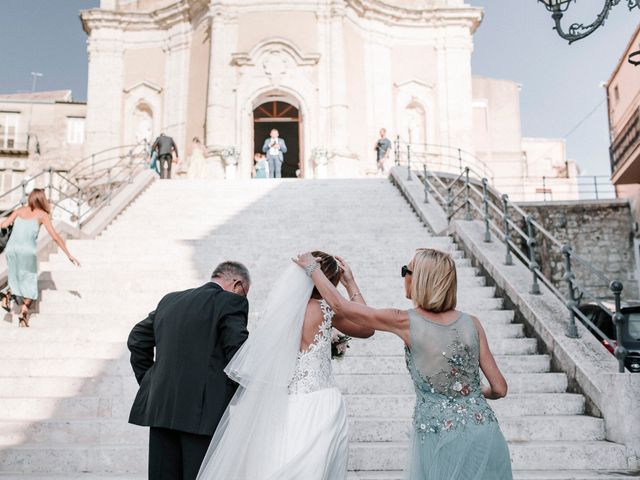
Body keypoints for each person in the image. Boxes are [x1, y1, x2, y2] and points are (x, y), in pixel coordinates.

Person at [294, 248, 513, 480]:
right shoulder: (473, 323)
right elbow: (499, 388)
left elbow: (341, 307)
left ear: (419, 279)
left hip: (439, 435)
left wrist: (312, 268)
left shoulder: (404, 320)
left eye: (405, 271)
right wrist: (469, 392)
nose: (403, 277)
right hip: (484, 430)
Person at [197, 252, 374, 480]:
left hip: (282, 407)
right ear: (330, 282)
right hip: (320, 405)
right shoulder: (326, 310)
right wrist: (351, 283)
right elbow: (367, 327)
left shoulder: (279, 312)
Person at [127, 262, 251, 480]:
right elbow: (239, 355)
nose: (243, 299)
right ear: (237, 284)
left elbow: (137, 339)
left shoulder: (170, 300)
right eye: (245, 294)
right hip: (204, 414)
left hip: (162, 410)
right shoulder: (230, 302)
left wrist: (151, 382)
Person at [0, 189, 80, 327]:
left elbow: (3, 225)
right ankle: (24, 312)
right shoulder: (43, 215)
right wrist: (69, 254)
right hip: (27, 251)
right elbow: (55, 236)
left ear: (30, 198)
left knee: (15, 276)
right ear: (43, 200)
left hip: (11, 250)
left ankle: (8, 293)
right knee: (30, 282)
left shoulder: (19, 210)